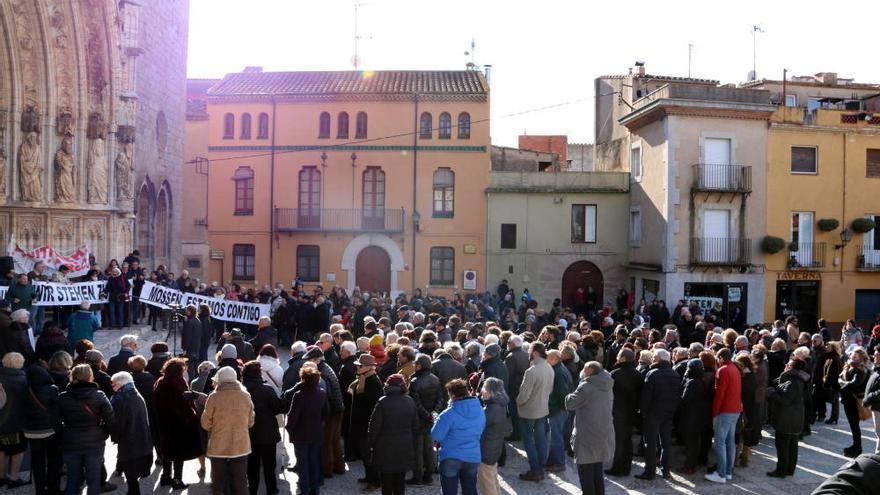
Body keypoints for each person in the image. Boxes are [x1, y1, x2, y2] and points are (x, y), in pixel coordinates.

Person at [57, 364, 115, 495]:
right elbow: (111, 420)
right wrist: (102, 433)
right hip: (94, 442)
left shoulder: (62, 397)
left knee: (72, 479)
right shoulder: (99, 395)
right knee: (93, 480)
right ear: (90, 376)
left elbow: (54, 422)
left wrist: (62, 436)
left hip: (70, 440)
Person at [201, 366, 256, 495]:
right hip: (241, 446)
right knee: (241, 483)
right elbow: (251, 422)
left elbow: (205, 423)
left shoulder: (214, 397)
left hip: (218, 447)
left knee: (218, 484)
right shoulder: (245, 396)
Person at [565, 361, 614, 495]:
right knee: (597, 469)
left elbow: (570, 403)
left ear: (591, 371)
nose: (583, 372)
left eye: (585, 370)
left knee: (585, 471)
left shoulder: (586, 386)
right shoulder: (607, 382)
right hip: (602, 430)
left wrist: (569, 393)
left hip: (587, 432)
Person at [153, 358, 202, 489]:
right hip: (178, 423)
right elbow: (184, 403)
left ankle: (166, 476)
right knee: (178, 453)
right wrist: (191, 418)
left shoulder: (160, 381)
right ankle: (177, 480)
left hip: (164, 422)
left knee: (167, 449)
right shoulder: (178, 382)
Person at [431, 378, 485, 495]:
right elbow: (480, 430)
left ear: (452, 395)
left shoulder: (448, 414)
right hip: (472, 456)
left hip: (451, 457)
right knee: (470, 490)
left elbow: (436, 435)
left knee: (449, 491)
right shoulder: (480, 411)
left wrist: (436, 420)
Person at [369, 374, 418, 495]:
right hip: (404, 446)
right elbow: (415, 425)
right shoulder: (410, 401)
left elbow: (374, 426)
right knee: (400, 482)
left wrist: (371, 444)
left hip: (385, 446)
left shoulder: (383, 402)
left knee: (386, 483)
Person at [637, 348, 681, 480]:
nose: (653, 359)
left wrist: (643, 412)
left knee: (650, 443)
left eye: (654, 357)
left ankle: (650, 472)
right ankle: (666, 470)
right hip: (668, 412)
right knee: (666, 442)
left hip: (653, 413)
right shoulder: (675, 374)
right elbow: (678, 395)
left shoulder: (652, 374)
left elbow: (646, 396)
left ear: (659, 359)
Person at [515, 342, 555, 482]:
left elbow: (524, 395)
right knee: (541, 439)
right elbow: (550, 390)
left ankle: (535, 470)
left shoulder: (532, 371)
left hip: (529, 411)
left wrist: (517, 402)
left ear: (535, 352)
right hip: (542, 408)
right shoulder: (549, 367)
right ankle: (541, 468)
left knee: (529, 442)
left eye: (530, 351)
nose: (529, 353)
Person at [241, 361, 283, 495]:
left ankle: (252, 489)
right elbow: (277, 408)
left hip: (248, 433)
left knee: (252, 466)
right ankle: (271, 489)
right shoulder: (267, 389)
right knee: (269, 465)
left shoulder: (241, 391)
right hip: (268, 433)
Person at [109, 371, 153, 495]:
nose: (112, 387)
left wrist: (114, 434)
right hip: (140, 439)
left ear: (121, 384)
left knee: (131, 475)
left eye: (114, 385)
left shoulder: (122, 399)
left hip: (129, 441)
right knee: (133, 472)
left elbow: (119, 423)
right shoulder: (135, 394)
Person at [287, 365, 328, 495]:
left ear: (303, 379)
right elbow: (326, 412)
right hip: (316, 433)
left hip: (301, 435)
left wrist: (289, 429)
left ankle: (305, 490)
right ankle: (315, 490)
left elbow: (293, 417)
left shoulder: (299, 395)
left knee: (303, 464)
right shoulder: (322, 392)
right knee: (314, 461)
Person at [766, 357, 809, 477]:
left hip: (787, 418)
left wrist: (773, 393)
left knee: (783, 445)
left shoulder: (793, 381)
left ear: (792, 368)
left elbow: (786, 400)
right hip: (793, 417)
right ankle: (789, 469)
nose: (786, 365)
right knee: (791, 445)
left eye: (788, 364)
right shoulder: (796, 379)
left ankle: (781, 471)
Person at [23, 361, 62, 495]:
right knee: (53, 460)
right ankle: (53, 488)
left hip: (30, 431)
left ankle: (40, 490)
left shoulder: (24, 389)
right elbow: (57, 412)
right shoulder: (52, 389)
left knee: (37, 461)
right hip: (49, 430)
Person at [705, 348, 742, 484]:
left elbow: (720, 394)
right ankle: (727, 472)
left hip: (725, 411)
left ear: (720, 358)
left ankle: (721, 474)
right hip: (735, 410)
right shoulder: (735, 369)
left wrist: (715, 412)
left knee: (720, 442)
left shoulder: (723, 370)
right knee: (729, 442)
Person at [348, 353, 383, 490]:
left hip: (366, 425)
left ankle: (375, 481)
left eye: (360, 366)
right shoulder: (363, 378)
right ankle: (369, 477)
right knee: (364, 454)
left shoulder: (373, 382)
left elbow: (373, 406)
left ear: (369, 367)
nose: (357, 367)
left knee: (369, 456)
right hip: (360, 424)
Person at [408, 353, 443, 485]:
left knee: (418, 450)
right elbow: (440, 398)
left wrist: (429, 415)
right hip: (430, 419)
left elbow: (415, 404)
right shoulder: (435, 379)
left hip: (418, 420)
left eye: (415, 364)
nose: (413, 365)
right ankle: (428, 476)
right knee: (429, 449)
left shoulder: (415, 382)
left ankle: (417, 477)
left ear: (419, 366)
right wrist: (434, 413)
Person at [606, 347, 641, 476]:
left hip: (617, 411)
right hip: (631, 411)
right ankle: (626, 467)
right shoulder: (637, 374)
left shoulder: (615, 373)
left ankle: (618, 468)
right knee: (627, 439)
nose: (616, 358)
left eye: (618, 355)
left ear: (622, 358)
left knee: (618, 440)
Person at [477, 377, 511, 495]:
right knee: (493, 481)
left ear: (491, 392)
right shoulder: (500, 405)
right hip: (494, 449)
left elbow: (479, 426)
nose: (481, 391)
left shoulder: (492, 409)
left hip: (486, 452)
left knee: (487, 486)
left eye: (484, 388)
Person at [0, 353, 28, 489]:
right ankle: (14, 477)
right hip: (16, 423)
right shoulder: (23, 380)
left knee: (1, 449)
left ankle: (2, 476)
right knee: (18, 450)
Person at [545, 349, 574, 472]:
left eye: (547, 359)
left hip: (558, 409)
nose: (545, 361)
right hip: (561, 408)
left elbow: (562, 392)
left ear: (553, 359)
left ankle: (560, 463)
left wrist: (550, 403)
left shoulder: (557, 371)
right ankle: (551, 461)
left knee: (556, 437)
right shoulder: (560, 367)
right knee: (555, 436)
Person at [678, 358, 708, 475]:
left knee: (691, 443)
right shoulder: (701, 379)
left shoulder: (692, 382)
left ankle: (689, 466)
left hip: (690, 416)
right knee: (694, 442)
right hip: (698, 416)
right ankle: (691, 465)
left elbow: (685, 399)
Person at [839, 347, 869, 457]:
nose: (852, 358)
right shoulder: (849, 367)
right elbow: (840, 378)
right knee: (853, 425)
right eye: (852, 356)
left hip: (854, 402)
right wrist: (842, 382)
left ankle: (857, 448)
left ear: (861, 358)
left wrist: (842, 384)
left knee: (855, 426)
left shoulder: (861, 369)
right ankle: (855, 445)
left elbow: (854, 384)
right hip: (848, 400)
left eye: (855, 357)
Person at [863, 349, 880, 454]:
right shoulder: (876, 368)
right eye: (874, 354)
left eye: (877, 355)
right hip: (876, 405)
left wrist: (869, 398)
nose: (874, 357)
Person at [824, 341, 843, 424]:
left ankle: (834, 417)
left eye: (828, 347)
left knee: (834, 401)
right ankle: (834, 417)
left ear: (833, 348)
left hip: (834, 383)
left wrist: (830, 383)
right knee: (834, 402)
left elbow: (835, 372)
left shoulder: (834, 358)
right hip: (832, 382)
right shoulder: (830, 357)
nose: (826, 348)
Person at [180, 304, 201, 380]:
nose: (185, 311)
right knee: (195, 366)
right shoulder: (197, 320)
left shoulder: (189, 322)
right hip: (197, 346)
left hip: (190, 348)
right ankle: (196, 380)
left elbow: (187, 336)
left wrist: (185, 348)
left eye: (187, 310)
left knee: (190, 368)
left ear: (190, 311)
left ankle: (192, 383)